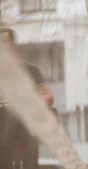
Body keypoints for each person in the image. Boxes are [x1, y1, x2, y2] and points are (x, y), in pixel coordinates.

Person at [0, 28, 55, 169]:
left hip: (25, 132)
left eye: (3, 41)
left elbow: (49, 97)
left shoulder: (30, 70)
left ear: (13, 44)